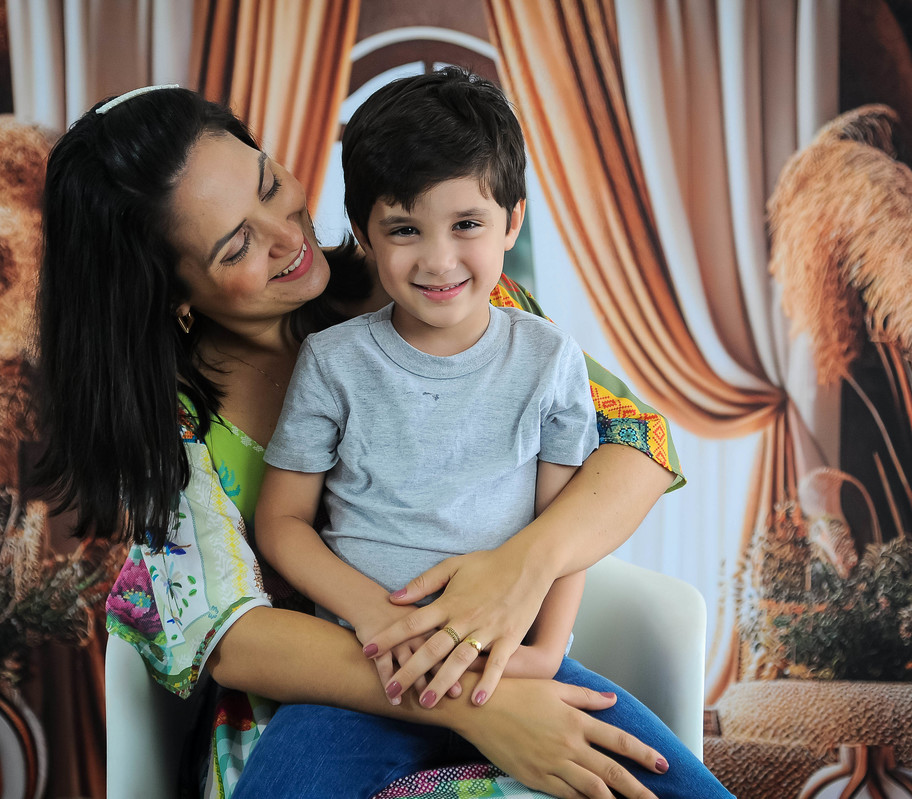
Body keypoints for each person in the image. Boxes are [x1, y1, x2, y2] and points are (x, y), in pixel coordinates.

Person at [36, 82, 717, 799]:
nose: (288, 236)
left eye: (270, 185)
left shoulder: (443, 293)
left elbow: (638, 443)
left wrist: (523, 566)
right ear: (169, 291)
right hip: (329, 702)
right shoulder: (176, 425)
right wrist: (469, 700)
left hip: (505, 664)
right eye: (238, 245)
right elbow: (232, 637)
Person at [247, 68, 734, 799]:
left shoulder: (550, 358)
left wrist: (546, 653)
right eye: (405, 229)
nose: (438, 259)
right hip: (367, 677)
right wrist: (375, 619)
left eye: (467, 225)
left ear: (513, 220)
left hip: (513, 665)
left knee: (685, 789)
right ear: (363, 234)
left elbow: (559, 523)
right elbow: (282, 523)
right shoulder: (333, 361)